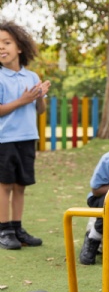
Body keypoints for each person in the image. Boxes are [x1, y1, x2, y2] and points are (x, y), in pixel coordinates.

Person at [0, 21, 51, 250]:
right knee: (4, 186)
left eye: (6, 42)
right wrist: (22, 100)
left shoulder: (32, 77)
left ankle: (17, 228)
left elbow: (40, 110)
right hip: (4, 139)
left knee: (20, 185)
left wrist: (38, 97)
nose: (2, 48)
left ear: (20, 47)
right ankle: (4, 230)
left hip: (27, 138)